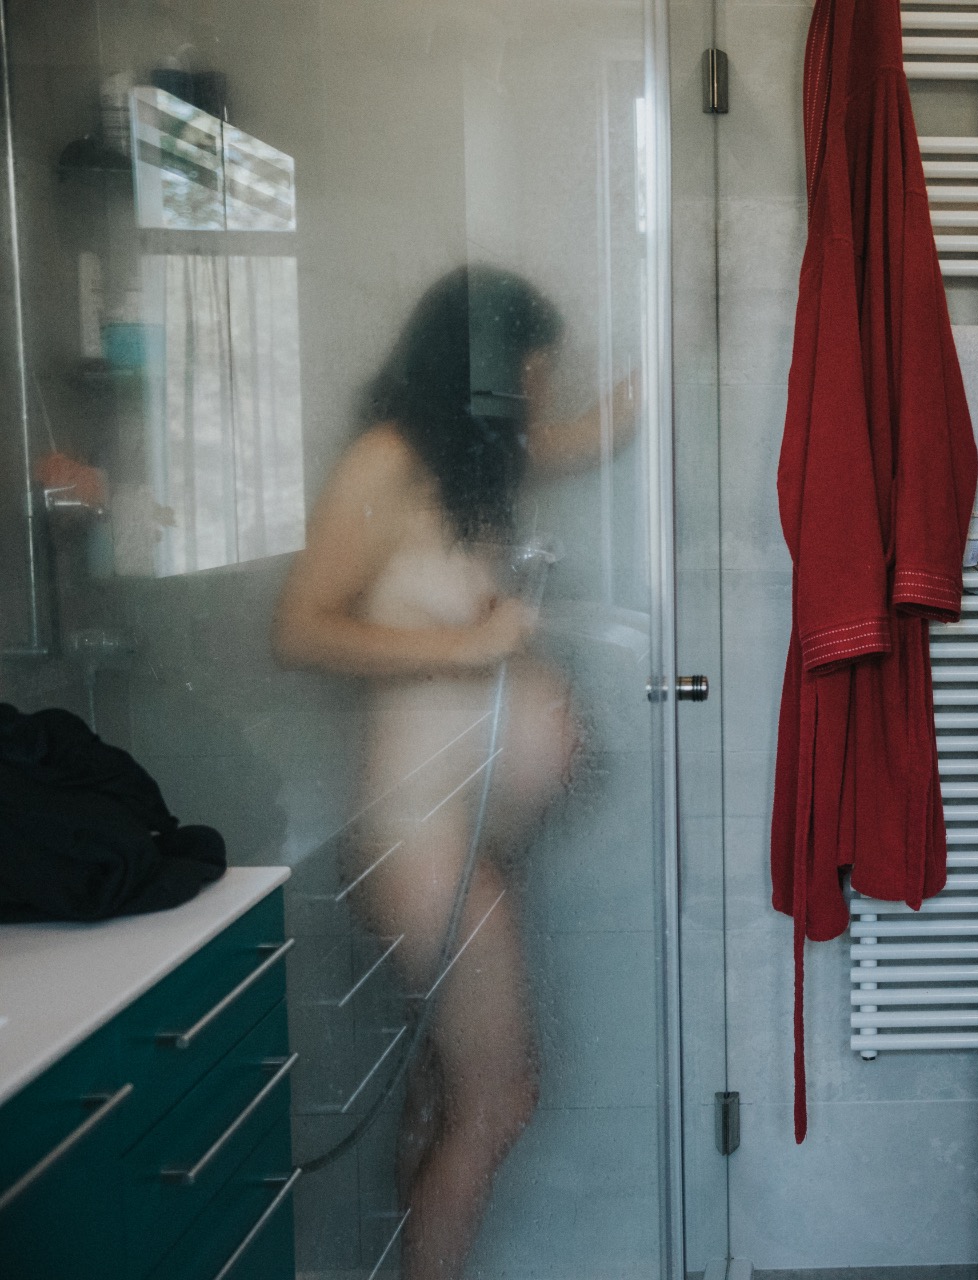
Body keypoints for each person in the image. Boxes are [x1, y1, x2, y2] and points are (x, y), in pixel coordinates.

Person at [274, 266, 630, 1280]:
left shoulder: (465, 462)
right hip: (419, 840)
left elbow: (585, 436)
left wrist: (693, 325)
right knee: (500, 1098)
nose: (542, 396)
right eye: (534, 372)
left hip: (467, 840)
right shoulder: (385, 462)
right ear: (483, 366)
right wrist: (471, 648)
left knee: (442, 1095)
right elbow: (299, 628)